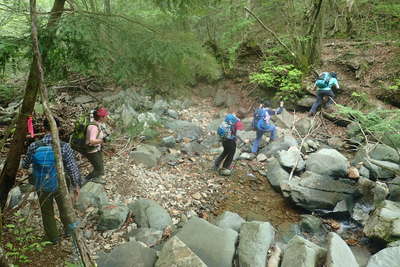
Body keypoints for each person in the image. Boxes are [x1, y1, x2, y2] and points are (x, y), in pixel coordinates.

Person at [22, 118, 82, 244]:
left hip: (41, 184)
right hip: (60, 183)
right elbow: (72, 168)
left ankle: (53, 237)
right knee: (64, 207)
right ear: (58, 129)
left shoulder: (34, 146)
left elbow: (25, 165)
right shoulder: (63, 146)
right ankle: (69, 231)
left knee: (47, 211)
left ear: (43, 129)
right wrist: (76, 185)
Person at [83, 107, 109, 185]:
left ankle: (93, 178)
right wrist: (103, 141)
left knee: (99, 165)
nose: (107, 117)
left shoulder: (97, 124)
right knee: (99, 169)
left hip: (96, 149)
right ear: (101, 117)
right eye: (105, 116)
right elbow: (91, 140)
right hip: (92, 151)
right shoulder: (93, 127)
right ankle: (86, 180)